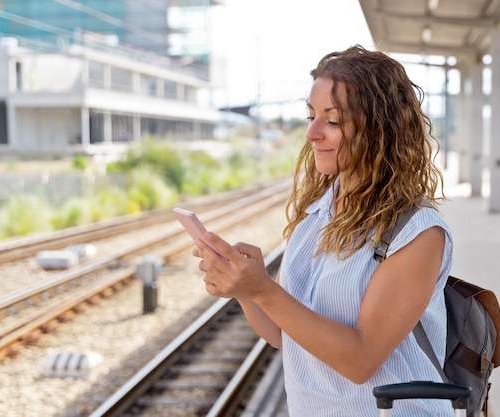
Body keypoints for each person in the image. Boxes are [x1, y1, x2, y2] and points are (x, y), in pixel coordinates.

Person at [193, 45, 453, 417]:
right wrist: (245, 291)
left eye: (331, 121)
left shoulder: (417, 231)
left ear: (380, 130)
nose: (311, 134)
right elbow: (283, 333)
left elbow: (361, 360)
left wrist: (263, 289)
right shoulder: (316, 216)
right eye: (311, 116)